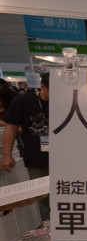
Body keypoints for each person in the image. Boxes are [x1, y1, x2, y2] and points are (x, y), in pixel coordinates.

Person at [1, 73, 50, 220]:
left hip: (66, 160)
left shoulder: (69, 101)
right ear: (42, 87)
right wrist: (7, 155)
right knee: (41, 196)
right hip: (36, 158)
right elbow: (11, 128)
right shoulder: (23, 101)